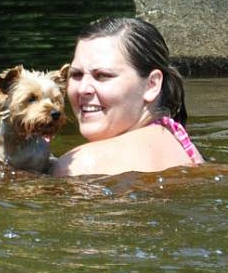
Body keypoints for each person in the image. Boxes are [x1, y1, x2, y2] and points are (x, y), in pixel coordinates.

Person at [48, 17, 204, 176]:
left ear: (152, 85)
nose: (82, 89)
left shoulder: (80, 164)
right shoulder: (182, 149)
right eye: (76, 74)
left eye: (102, 75)